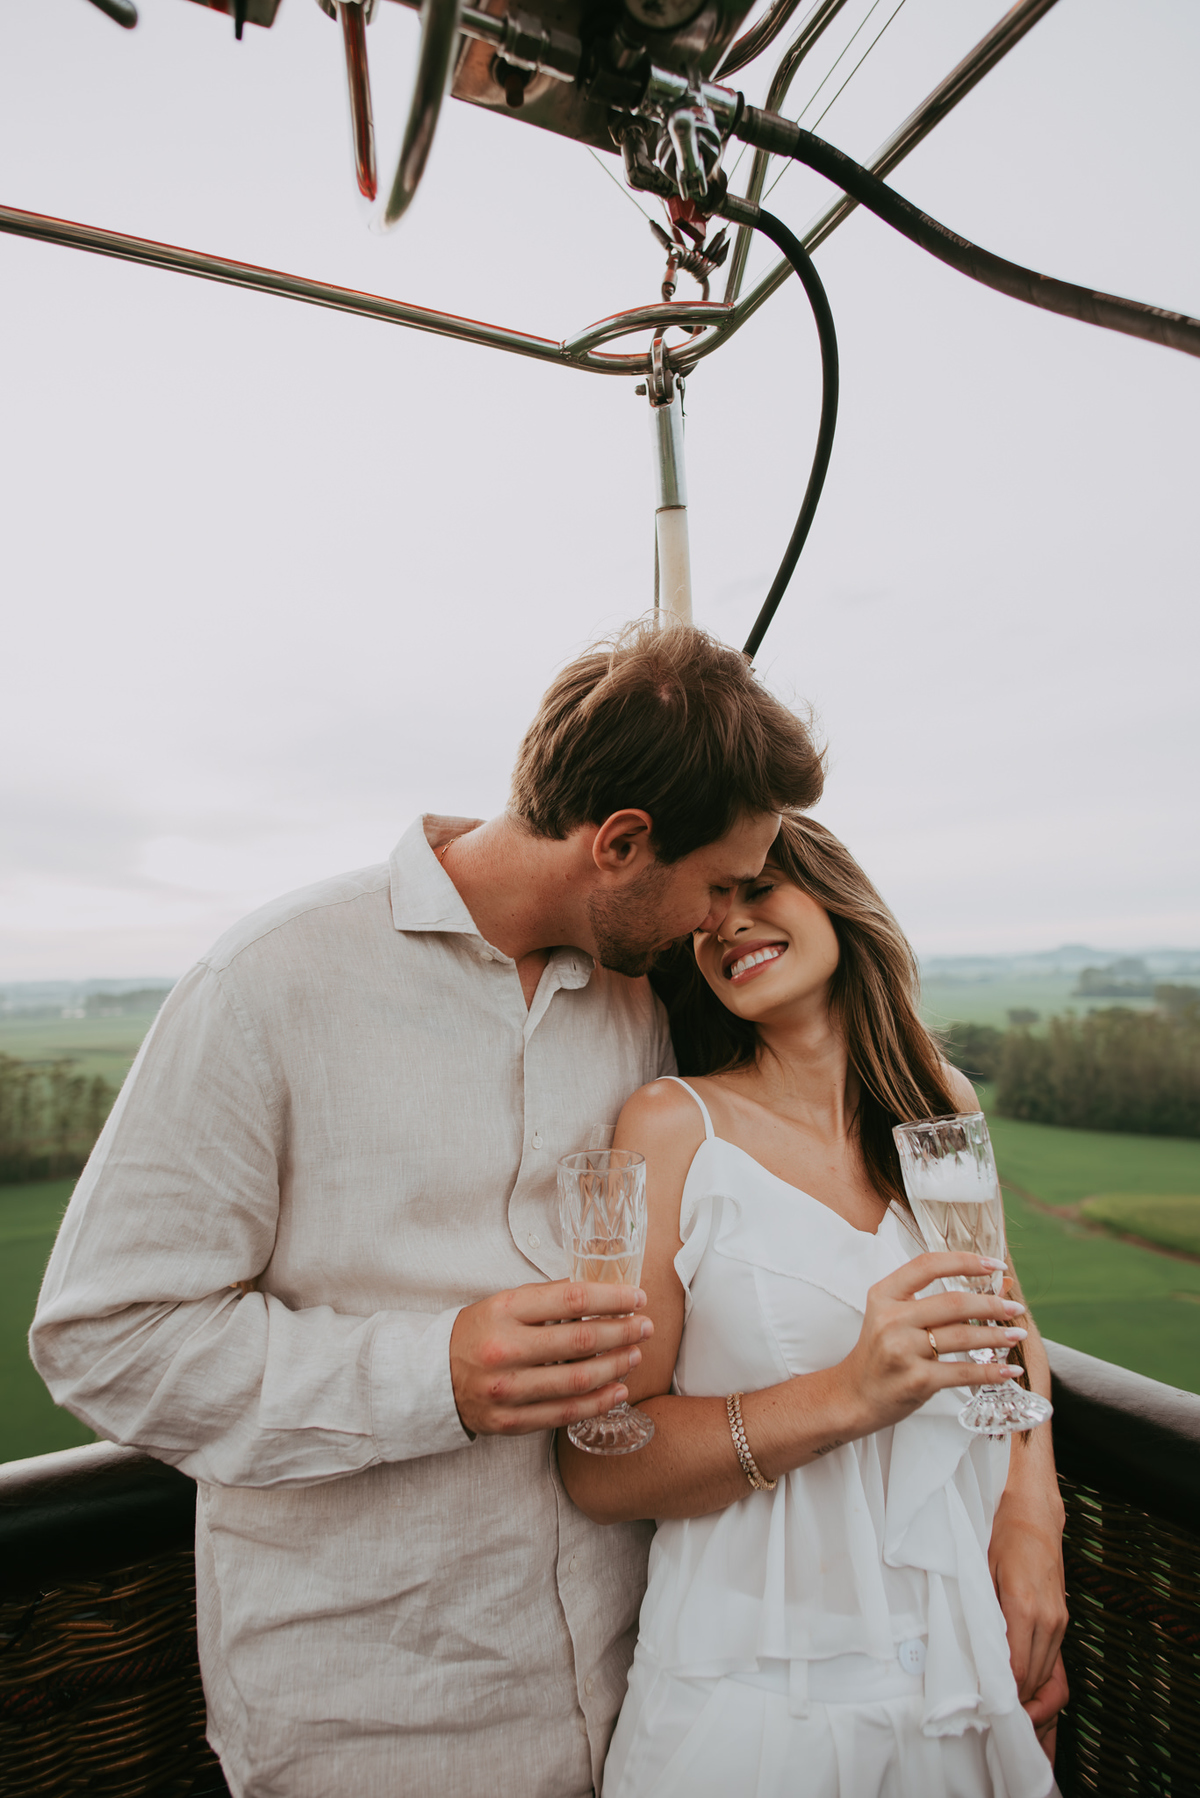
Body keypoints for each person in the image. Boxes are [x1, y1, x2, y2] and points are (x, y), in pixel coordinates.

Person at [30, 623, 824, 1798]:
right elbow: (105, 1338)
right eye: (716, 884)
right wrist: (434, 1372)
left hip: (645, 1687)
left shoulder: (640, 1002)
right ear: (620, 842)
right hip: (373, 1723)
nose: (719, 920)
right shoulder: (266, 984)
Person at [559, 814, 1069, 1798]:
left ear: (835, 897)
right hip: (755, 1685)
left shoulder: (938, 1099)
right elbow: (599, 1461)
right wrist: (847, 1394)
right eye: (708, 910)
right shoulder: (671, 1125)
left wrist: (1031, 1522)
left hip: (964, 1659)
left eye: (758, 888)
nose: (728, 925)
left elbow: (1004, 1317)